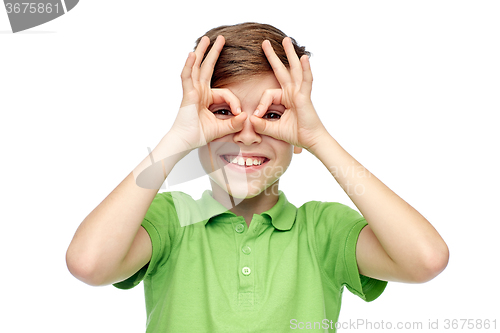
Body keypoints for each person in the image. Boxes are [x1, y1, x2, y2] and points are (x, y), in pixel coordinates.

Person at [66, 22, 449, 332]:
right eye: (221, 113)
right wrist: (175, 140)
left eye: (271, 116)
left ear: (296, 137)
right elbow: (88, 264)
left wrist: (318, 139)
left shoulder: (322, 230)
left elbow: (426, 259)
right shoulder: (170, 219)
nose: (247, 134)